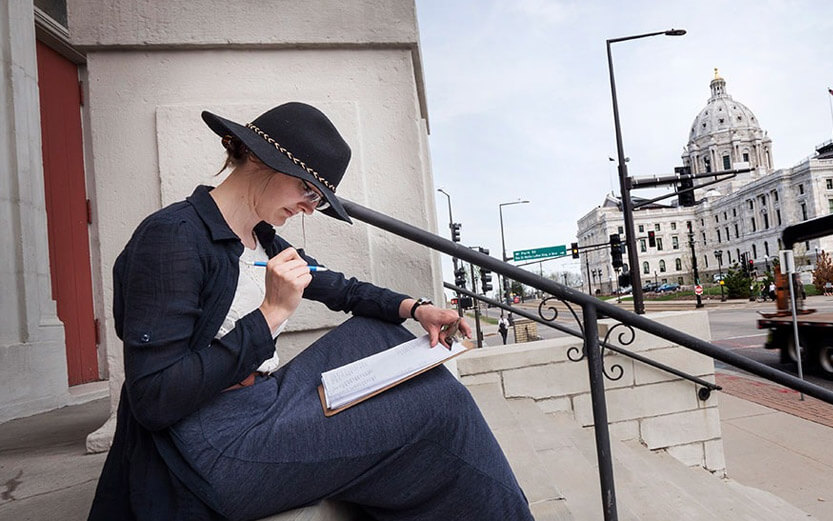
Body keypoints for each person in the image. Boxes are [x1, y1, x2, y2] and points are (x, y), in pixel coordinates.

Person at [87, 103, 534, 521]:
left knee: (382, 335)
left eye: (318, 199)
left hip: (260, 402)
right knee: (441, 405)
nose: (309, 207)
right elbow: (154, 398)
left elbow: (341, 288)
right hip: (206, 445)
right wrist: (271, 313)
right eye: (307, 189)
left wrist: (415, 308)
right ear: (256, 156)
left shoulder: (260, 239)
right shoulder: (172, 238)